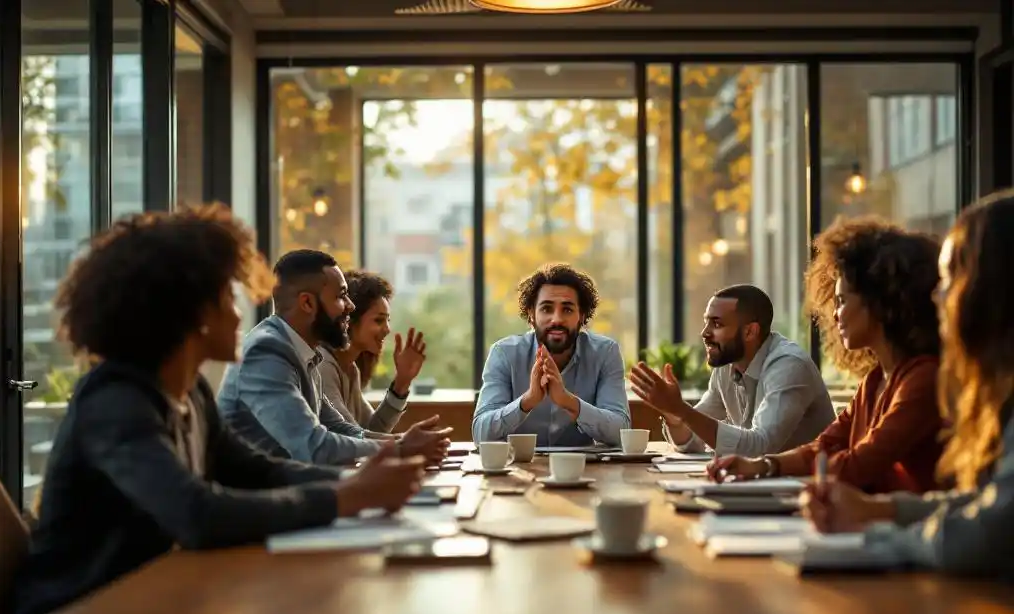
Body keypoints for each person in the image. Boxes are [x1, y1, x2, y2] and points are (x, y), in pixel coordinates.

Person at [10, 205, 426, 614]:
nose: (238, 312)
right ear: (191, 312)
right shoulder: (116, 402)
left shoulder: (189, 393)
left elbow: (259, 471)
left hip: (146, 605)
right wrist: (346, 496)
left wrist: (360, 482)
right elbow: (195, 513)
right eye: (228, 296)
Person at [802, 190, 1014, 579]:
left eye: (951, 278)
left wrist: (877, 532)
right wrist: (879, 512)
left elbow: (986, 533)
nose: (937, 295)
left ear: (991, 291)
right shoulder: (994, 394)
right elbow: (985, 506)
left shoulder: (925, 377)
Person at [709, 219, 944, 494]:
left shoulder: (924, 378)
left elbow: (859, 465)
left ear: (880, 303)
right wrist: (762, 466)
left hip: (910, 532)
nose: (834, 314)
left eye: (842, 301)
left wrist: (768, 467)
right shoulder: (876, 380)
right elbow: (825, 446)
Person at [217, 249, 450, 465]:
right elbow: (313, 446)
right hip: (257, 501)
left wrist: (403, 442)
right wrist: (400, 449)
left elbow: (341, 428)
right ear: (307, 303)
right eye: (341, 296)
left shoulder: (306, 354)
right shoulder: (267, 352)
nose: (350, 306)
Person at [629, 284, 834, 457]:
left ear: (749, 331)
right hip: (762, 487)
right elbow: (694, 442)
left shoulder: (789, 365)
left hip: (811, 491)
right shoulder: (727, 367)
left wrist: (683, 410)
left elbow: (760, 447)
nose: (704, 333)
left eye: (716, 323)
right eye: (706, 322)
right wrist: (674, 415)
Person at [472, 263, 630, 447]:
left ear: (582, 315)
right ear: (531, 314)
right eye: (546, 309)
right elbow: (480, 433)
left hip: (583, 471)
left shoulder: (605, 353)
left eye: (567, 309)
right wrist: (527, 401)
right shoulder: (504, 354)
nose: (557, 319)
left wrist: (569, 402)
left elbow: (622, 431)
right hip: (520, 470)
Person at [319, 270, 425, 433]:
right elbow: (351, 438)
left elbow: (373, 430)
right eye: (378, 320)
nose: (387, 329)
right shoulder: (323, 365)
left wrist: (402, 381)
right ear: (348, 319)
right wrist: (407, 442)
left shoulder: (350, 369)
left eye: (387, 320)